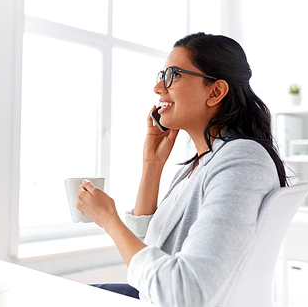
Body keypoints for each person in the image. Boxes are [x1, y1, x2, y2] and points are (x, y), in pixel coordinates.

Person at [76, 32, 287, 307]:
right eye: (161, 74)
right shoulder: (202, 162)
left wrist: (109, 219)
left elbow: (184, 293)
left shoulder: (243, 159)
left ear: (216, 91)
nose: (158, 88)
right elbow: (149, 245)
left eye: (173, 75)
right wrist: (152, 166)